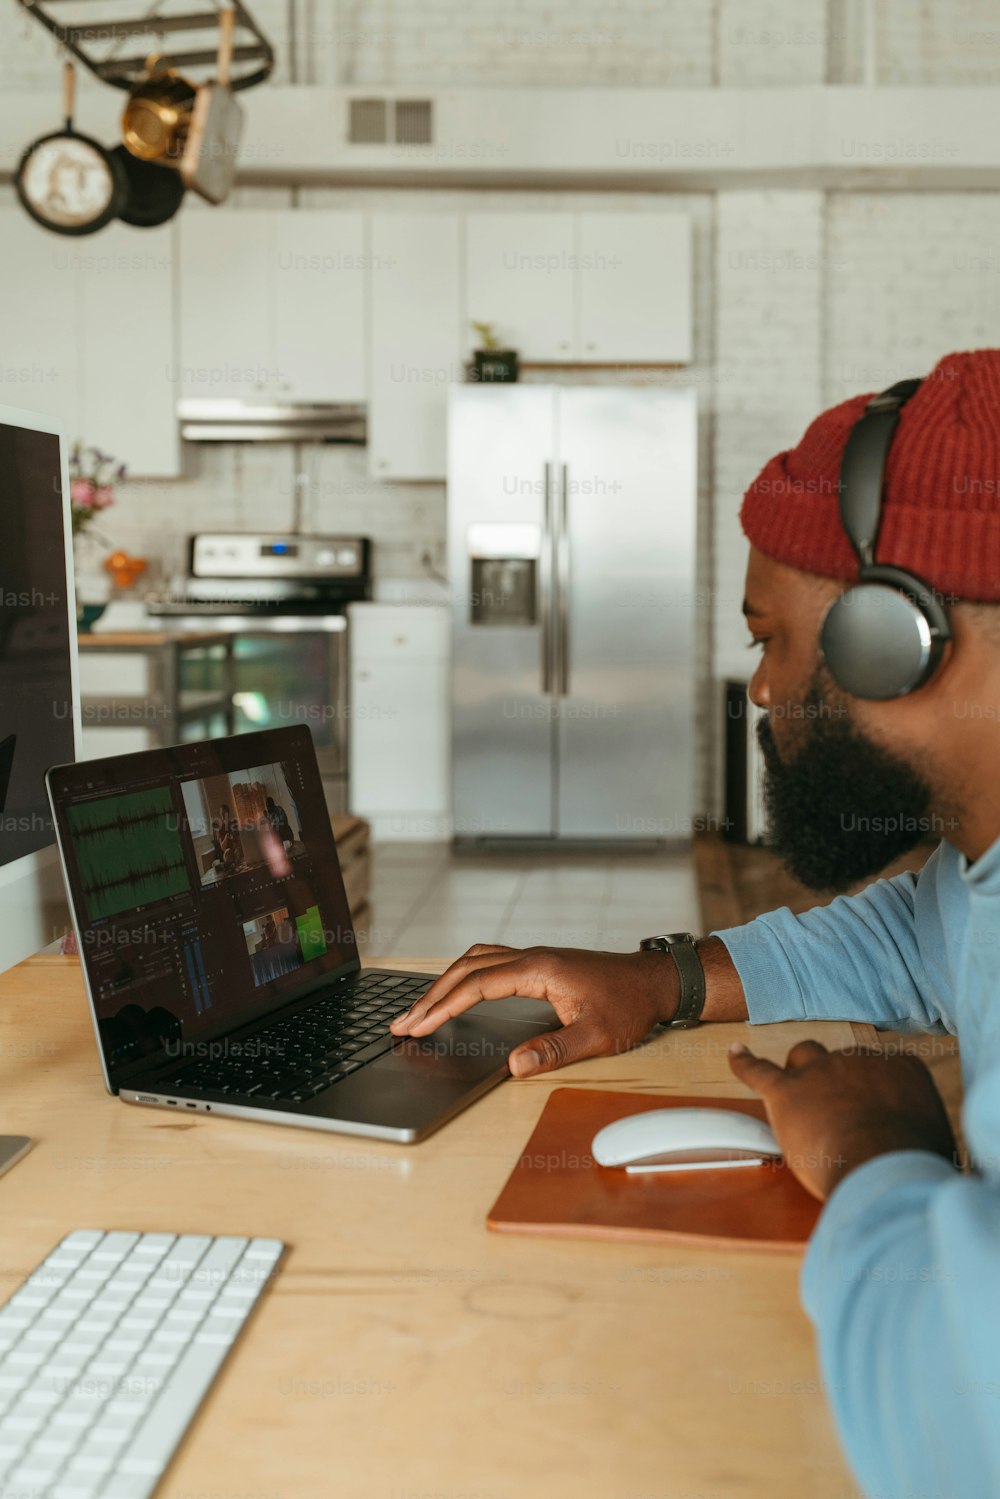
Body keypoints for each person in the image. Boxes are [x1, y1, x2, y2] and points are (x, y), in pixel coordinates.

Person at [390, 348, 1000, 1498]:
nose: (762, 690)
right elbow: (914, 939)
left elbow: (965, 1430)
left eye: (769, 635)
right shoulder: (980, 871)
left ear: (898, 635)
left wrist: (876, 1152)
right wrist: (661, 979)